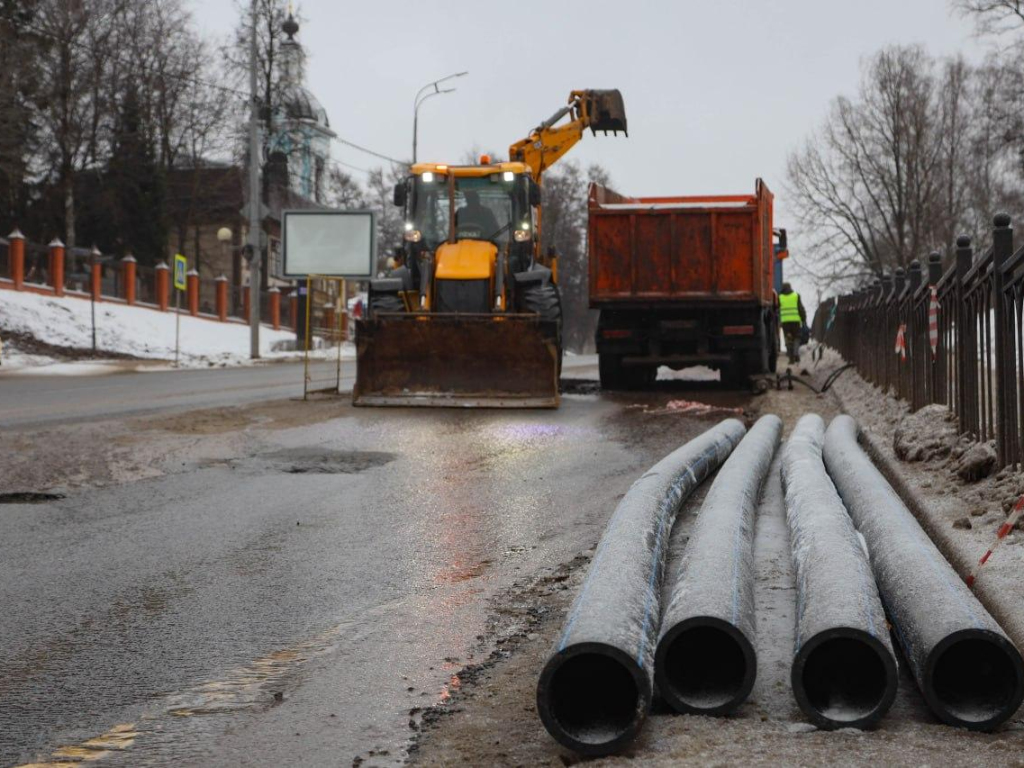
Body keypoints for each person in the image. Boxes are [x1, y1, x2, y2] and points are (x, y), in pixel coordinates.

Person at [779, 281, 807, 364]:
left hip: (785, 323)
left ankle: (791, 358)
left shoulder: (780, 297)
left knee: (788, 339)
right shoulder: (796, 296)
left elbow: (777, 310)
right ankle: (795, 353)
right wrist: (803, 319)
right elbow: (800, 309)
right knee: (797, 338)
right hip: (795, 321)